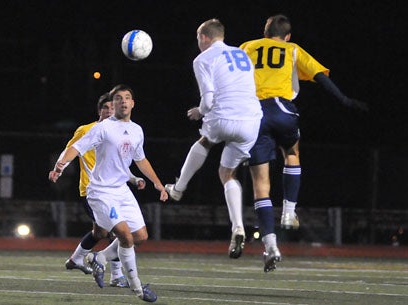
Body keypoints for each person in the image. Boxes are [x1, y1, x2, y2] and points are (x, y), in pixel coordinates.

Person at [239, 14, 368, 272]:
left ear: (264, 33)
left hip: (253, 115)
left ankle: (271, 245)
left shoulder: (247, 47)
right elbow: (320, 76)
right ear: (287, 36)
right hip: (282, 110)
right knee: (292, 152)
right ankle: (289, 210)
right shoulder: (292, 49)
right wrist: (344, 100)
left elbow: (232, 77)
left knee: (260, 186)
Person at [50, 84, 168, 303]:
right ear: (113, 105)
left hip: (122, 190)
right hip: (100, 192)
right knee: (123, 235)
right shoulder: (101, 128)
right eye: (118, 99)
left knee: (140, 236)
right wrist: (60, 166)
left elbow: (139, 159)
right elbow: (76, 147)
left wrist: (157, 183)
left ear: (133, 103)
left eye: (127, 98)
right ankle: (137, 288)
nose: (123, 101)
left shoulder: (136, 130)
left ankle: (98, 257)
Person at [164, 19, 263, 260]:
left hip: (224, 116)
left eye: (199, 38)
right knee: (227, 174)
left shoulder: (203, 58)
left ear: (205, 38)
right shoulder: (241, 54)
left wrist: (199, 111)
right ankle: (237, 226)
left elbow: (208, 101)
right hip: (251, 120)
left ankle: (178, 189)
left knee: (204, 142)